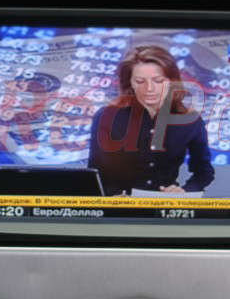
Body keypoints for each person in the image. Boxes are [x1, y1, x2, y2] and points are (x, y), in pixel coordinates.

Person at [88, 45, 215, 196]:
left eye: (158, 81)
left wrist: (184, 191)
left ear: (171, 81)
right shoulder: (107, 117)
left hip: (165, 205)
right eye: (140, 81)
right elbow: (96, 172)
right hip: (119, 205)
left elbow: (204, 172)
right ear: (130, 83)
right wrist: (115, 196)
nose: (149, 89)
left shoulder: (190, 121)